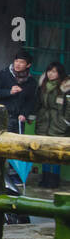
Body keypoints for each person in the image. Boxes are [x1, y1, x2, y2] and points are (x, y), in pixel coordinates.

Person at [36, 61, 70, 189]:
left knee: (55, 153)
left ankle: (54, 179)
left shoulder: (66, 87)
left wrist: (65, 122)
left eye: (54, 71)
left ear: (59, 73)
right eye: (49, 71)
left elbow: (69, 108)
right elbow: (38, 103)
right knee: (44, 151)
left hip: (58, 123)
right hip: (44, 122)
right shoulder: (43, 85)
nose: (51, 74)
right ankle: (44, 178)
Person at [0, 50, 39, 132]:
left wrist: (24, 114)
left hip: (18, 119)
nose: (17, 64)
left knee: (16, 143)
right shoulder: (3, 74)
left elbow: (31, 101)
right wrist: (9, 92)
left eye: (21, 62)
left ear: (28, 65)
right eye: (16, 61)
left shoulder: (31, 81)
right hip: (1, 116)